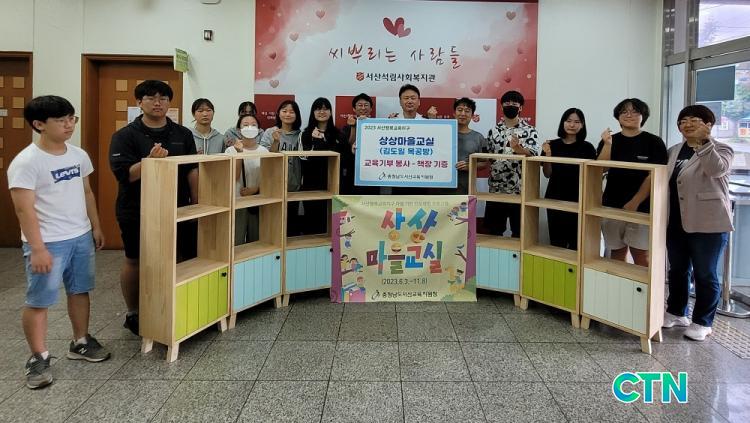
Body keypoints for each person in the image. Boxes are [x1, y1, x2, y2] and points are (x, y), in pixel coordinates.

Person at [8, 95, 111, 389]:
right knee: (39, 300)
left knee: (80, 290)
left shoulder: (78, 155)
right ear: (39, 124)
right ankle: (38, 357)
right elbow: (24, 209)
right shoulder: (26, 162)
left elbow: (87, 192)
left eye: (71, 118)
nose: (69, 125)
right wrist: (38, 248)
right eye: (61, 120)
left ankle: (80, 341)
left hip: (80, 235)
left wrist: (95, 226)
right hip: (48, 242)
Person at [109, 80, 199, 336]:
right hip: (136, 208)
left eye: (163, 98)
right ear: (139, 102)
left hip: (177, 206)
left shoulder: (182, 134)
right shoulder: (124, 136)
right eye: (151, 98)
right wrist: (149, 161)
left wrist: (197, 202)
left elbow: (192, 169)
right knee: (135, 259)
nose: (158, 103)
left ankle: (175, 304)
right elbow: (124, 174)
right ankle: (134, 312)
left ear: (169, 103)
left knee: (180, 255)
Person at [662, 105, 734, 341]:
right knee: (677, 270)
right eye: (683, 121)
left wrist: (704, 144)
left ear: (708, 124)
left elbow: (716, 170)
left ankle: (703, 321)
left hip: (708, 222)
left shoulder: (722, 149)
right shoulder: (674, 150)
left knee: (705, 274)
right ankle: (676, 312)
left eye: (694, 120)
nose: (688, 124)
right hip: (676, 222)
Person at [597, 98, 667, 266]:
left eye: (635, 111)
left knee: (641, 256)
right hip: (612, 204)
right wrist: (607, 145)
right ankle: (619, 283)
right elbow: (600, 169)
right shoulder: (609, 140)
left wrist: (635, 202)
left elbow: (654, 176)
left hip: (642, 208)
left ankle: (643, 285)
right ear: (618, 116)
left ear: (643, 116)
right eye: (624, 112)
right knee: (616, 253)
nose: (629, 115)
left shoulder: (654, 142)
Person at [484, 90, 539, 237]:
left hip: (520, 190)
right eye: (507, 103)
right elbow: (489, 157)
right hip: (496, 189)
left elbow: (533, 155)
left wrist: (518, 149)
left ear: (520, 107)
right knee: (494, 232)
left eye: (514, 103)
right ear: (501, 106)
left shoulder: (530, 130)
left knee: (520, 232)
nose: (510, 105)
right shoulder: (493, 131)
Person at [541, 108, 596, 249]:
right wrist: (548, 155)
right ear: (563, 123)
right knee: (556, 243)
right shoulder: (551, 145)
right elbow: (547, 173)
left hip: (579, 200)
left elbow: (593, 175)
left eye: (577, 122)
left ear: (582, 125)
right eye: (569, 121)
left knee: (576, 244)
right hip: (555, 198)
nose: (572, 125)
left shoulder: (588, 147)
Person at [260, 100, 303, 236]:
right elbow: (266, 158)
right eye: (284, 111)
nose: (287, 114)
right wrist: (276, 141)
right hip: (273, 186)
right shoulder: (270, 132)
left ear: (297, 115)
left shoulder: (300, 134)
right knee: (273, 225)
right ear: (278, 114)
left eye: (291, 112)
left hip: (293, 186)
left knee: (291, 225)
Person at [225, 114, 268, 245]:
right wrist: (239, 153)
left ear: (259, 130)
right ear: (239, 130)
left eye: (253, 125)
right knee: (236, 241)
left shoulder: (264, 151)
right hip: (237, 202)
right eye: (245, 124)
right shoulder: (230, 151)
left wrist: (255, 189)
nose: (250, 127)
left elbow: (269, 179)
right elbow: (234, 176)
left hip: (257, 202)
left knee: (256, 242)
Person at [300, 98, 339, 234]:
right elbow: (306, 159)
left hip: (333, 184)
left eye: (325, 108)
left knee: (331, 223)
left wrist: (321, 141)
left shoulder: (337, 134)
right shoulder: (305, 134)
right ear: (313, 112)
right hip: (312, 184)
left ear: (330, 112)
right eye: (318, 109)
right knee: (312, 223)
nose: (322, 112)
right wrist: (316, 142)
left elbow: (341, 157)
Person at [444, 97, 487, 195]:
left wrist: (470, 166)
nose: (463, 113)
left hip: (465, 189)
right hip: (440, 189)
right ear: (454, 113)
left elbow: (484, 163)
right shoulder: (442, 134)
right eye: (459, 110)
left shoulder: (479, 137)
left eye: (467, 111)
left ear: (472, 115)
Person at [339, 93, 379, 195]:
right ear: (354, 109)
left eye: (366, 105)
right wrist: (353, 127)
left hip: (373, 172)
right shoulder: (346, 128)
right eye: (360, 105)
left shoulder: (378, 126)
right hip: (352, 171)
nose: (363, 108)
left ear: (371, 109)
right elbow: (348, 146)